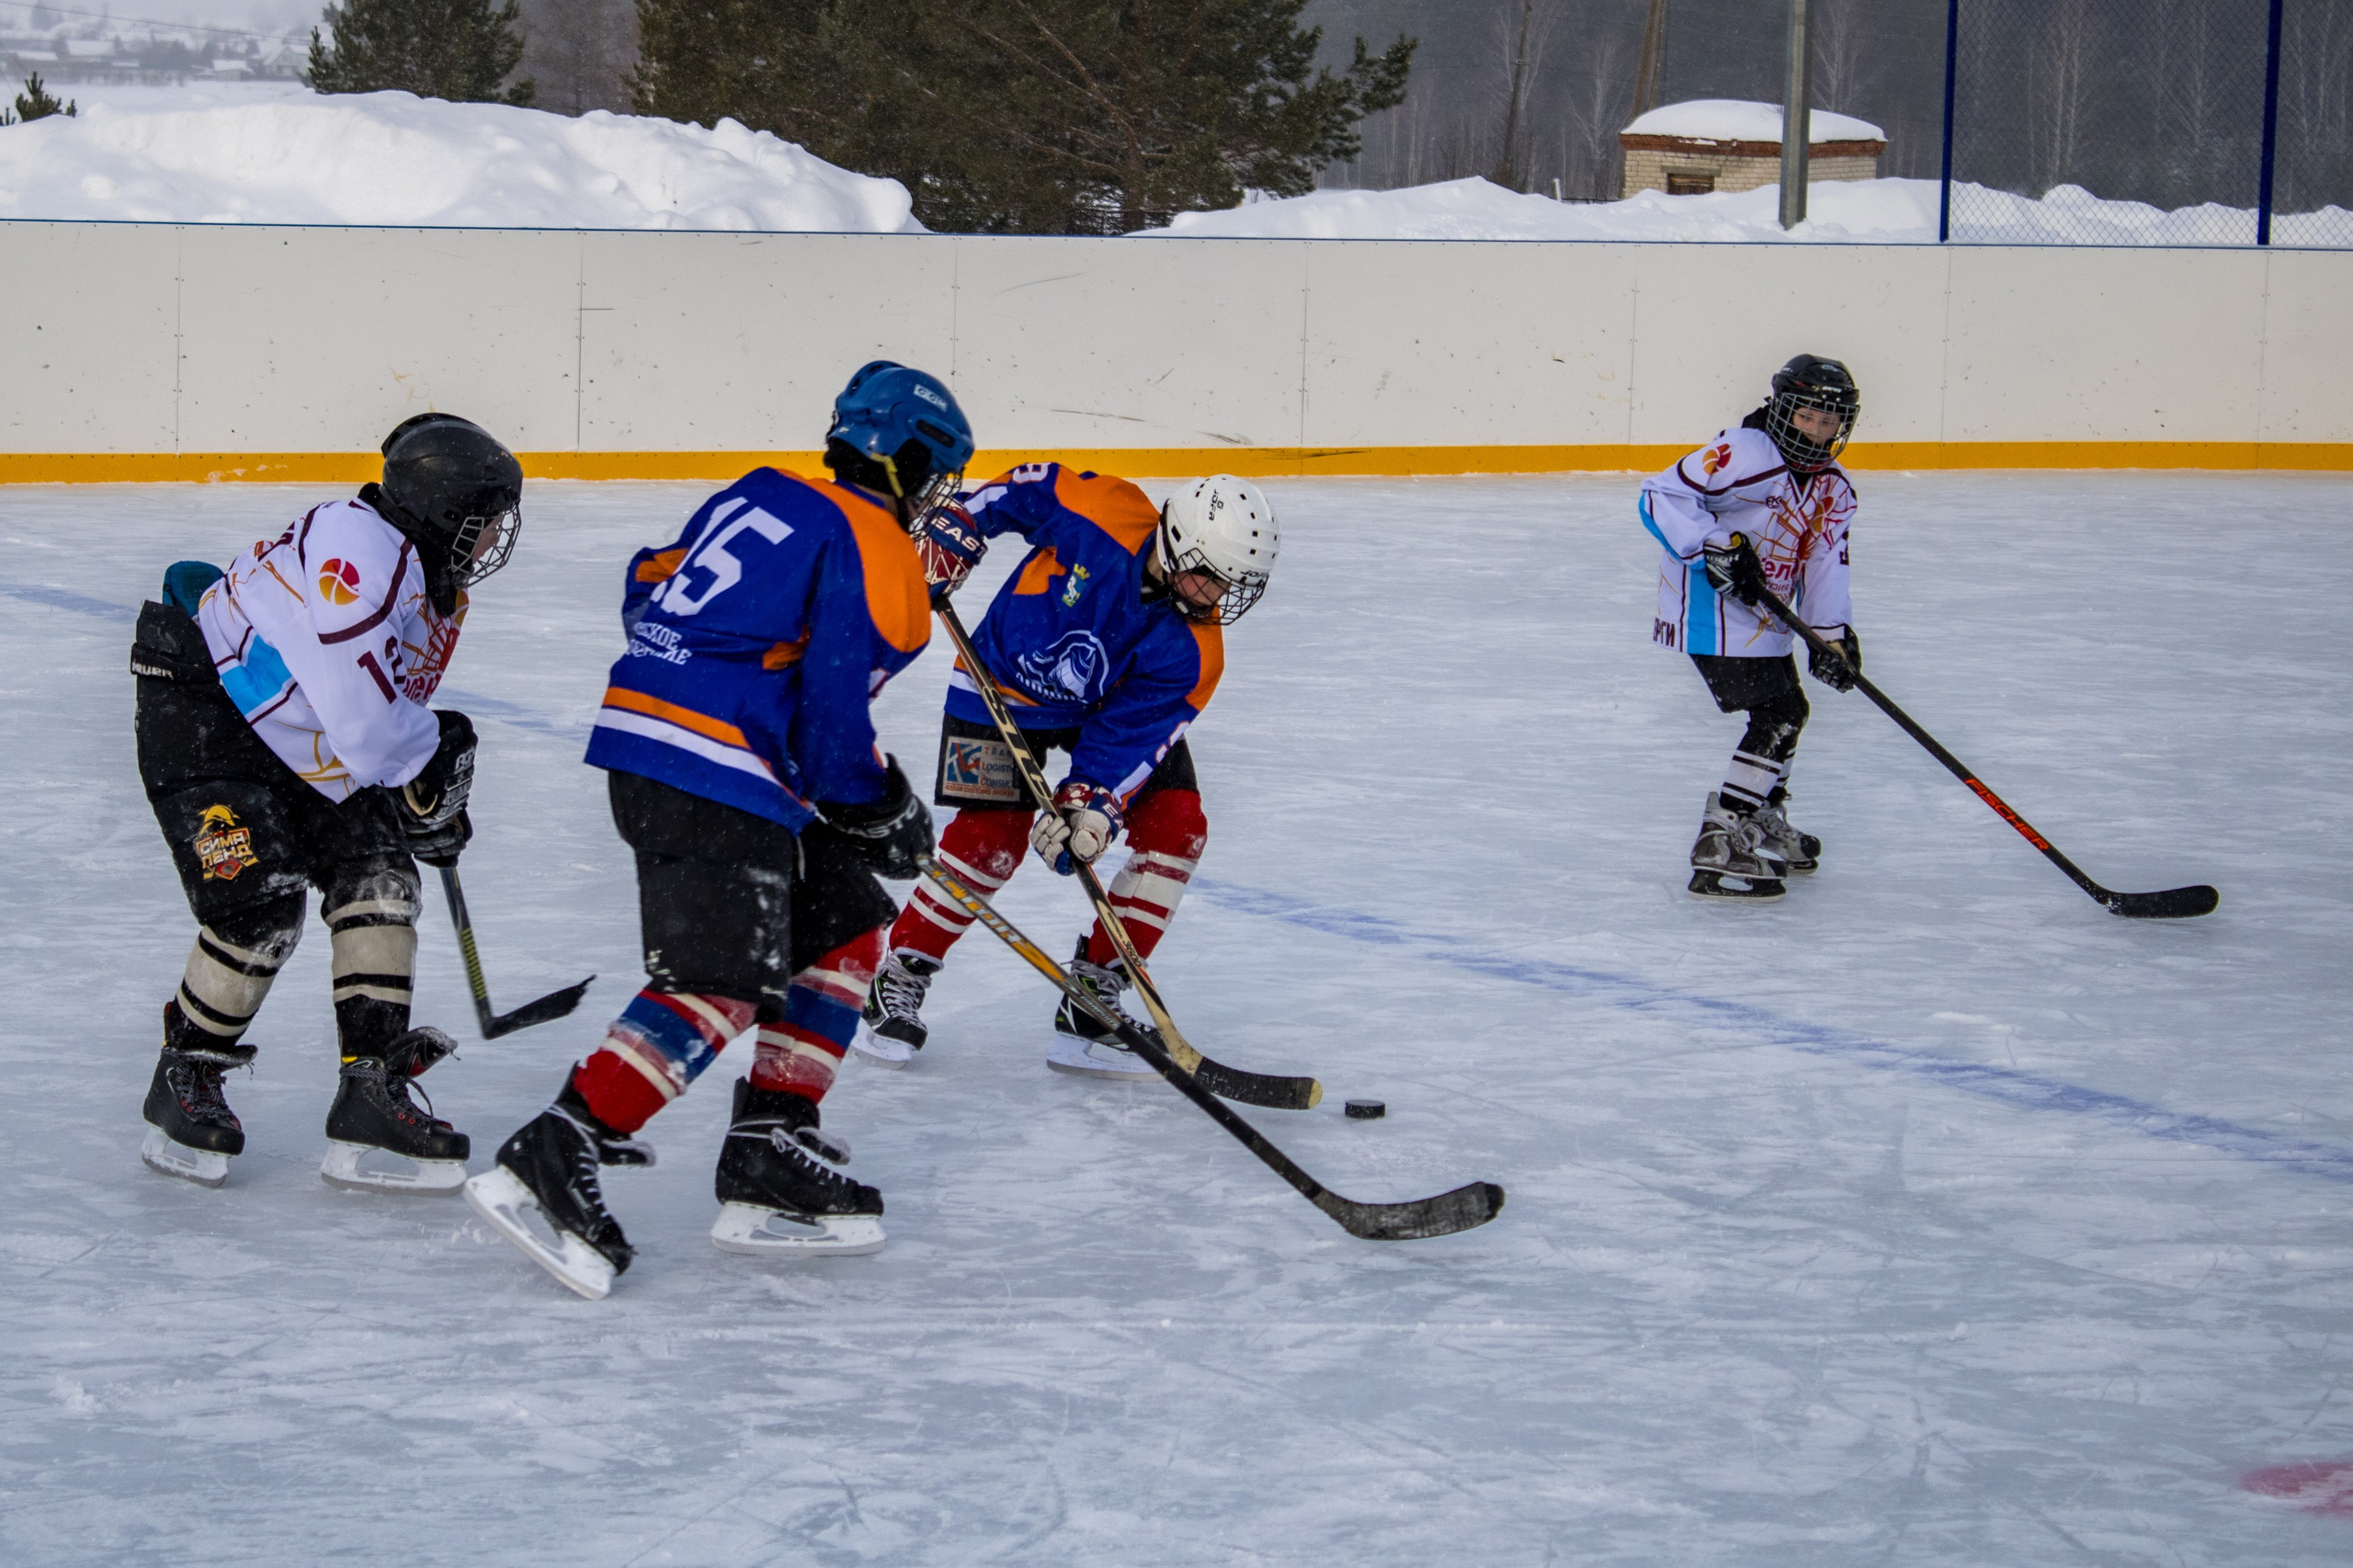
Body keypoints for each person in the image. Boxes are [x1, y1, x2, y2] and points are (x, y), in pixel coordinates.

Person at [462, 362, 969, 1300]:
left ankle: (768, 1145)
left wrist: (712, 678)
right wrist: (880, 806)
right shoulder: (880, 550)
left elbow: (647, 582)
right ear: (906, 461)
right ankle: (560, 1142)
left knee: (847, 925)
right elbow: (831, 726)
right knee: (723, 976)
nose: (937, 499)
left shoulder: (762, 493)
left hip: (665, 750)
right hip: (712, 771)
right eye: (936, 476)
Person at [131, 414, 520, 1191]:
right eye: (486, 522)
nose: (493, 541)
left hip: (298, 726)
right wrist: (425, 755)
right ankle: (188, 1071)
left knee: (382, 882)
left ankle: (370, 1088)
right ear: (448, 512)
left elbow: (385, 712)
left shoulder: (427, 578)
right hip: (207, 712)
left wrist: (426, 797)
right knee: (257, 909)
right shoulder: (359, 551)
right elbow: (370, 726)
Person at [857, 468, 1278, 1080]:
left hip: (1099, 711)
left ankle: (1092, 1001)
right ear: (1175, 541)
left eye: (1230, 584)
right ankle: (900, 975)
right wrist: (957, 527)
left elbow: (1132, 737)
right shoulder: (1102, 509)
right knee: (990, 843)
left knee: (1177, 827)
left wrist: (1093, 802)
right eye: (1210, 575)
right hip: (996, 683)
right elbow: (1015, 493)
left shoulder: (1195, 652)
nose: (1217, 596)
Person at [1638, 353, 1863, 901]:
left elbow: (1824, 562)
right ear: (1783, 409)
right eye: (1806, 416)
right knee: (1782, 713)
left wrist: (1829, 634)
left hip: (1765, 617)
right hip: (1708, 608)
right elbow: (1659, 495)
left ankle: (1760, 816)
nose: (1816, 430)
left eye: (1828, 421)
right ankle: (1722, 835)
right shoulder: (1744, 452)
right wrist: (1712, 546)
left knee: (1787, 709)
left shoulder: (1833, 488)